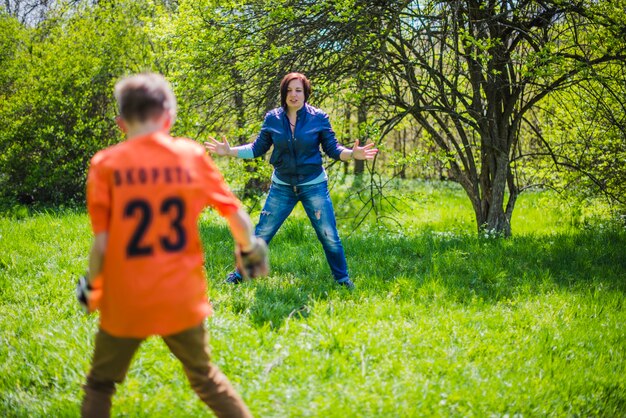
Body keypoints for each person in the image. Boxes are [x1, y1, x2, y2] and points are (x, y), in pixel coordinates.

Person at [77, 72, 267, 418]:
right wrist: (249, 248)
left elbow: (102, 244)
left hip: (126, 299)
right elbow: (235, 214)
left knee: (100, 385)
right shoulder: (190, 155)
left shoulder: (105, 164)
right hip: (180, 297)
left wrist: (91, 287)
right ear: (169, 116)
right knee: (206, 379)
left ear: (121, 123)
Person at [205, 72, 378, 289]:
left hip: (313, 185)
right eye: (289, 90)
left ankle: (342, 280)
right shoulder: (273, 118)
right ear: (283, 93)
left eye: (298, 90)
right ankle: (241, 274)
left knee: (329, 236)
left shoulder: (319, 118)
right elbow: (257, 148)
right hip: (282, 187)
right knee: (261, 233)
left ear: (306, 93)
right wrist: (230, 151)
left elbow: (333, 150)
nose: (293, 95)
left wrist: (353, 154)